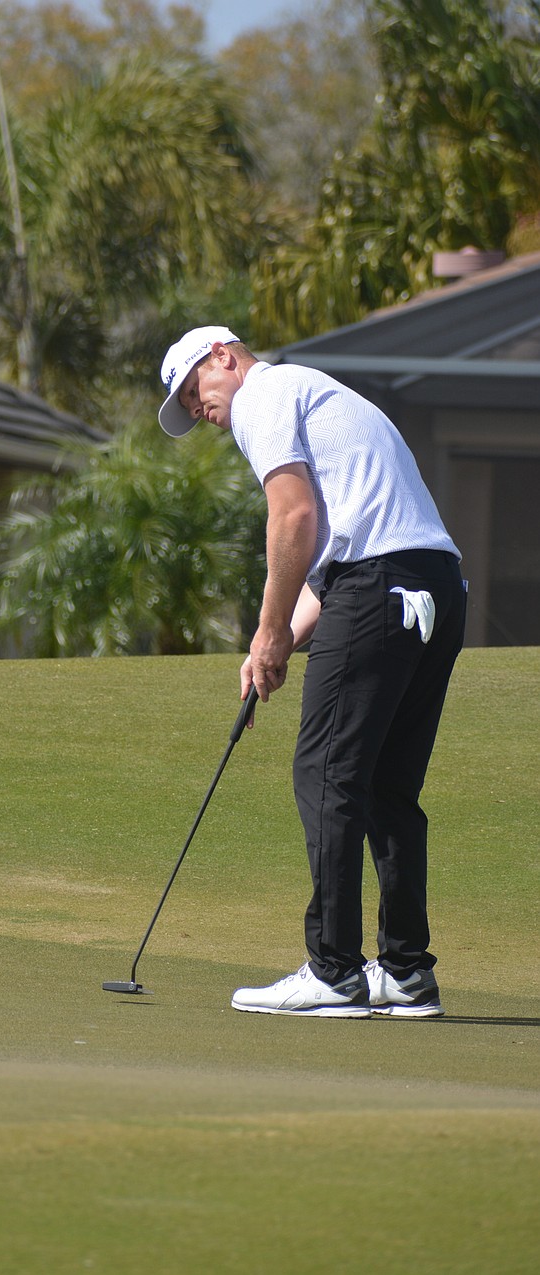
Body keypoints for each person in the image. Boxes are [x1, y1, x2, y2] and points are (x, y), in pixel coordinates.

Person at [158, 326, 466, 1018]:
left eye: (193, 391)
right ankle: (406, 970)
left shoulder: (266, 395)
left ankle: (333, 971)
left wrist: (267, 631)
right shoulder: (319, 396)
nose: (199, 411)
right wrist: (277, 644)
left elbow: (293, 518)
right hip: (435, 587)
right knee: (387, 786)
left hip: (380, 584)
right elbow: (342, 552)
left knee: (325, 773)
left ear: (223, 358)